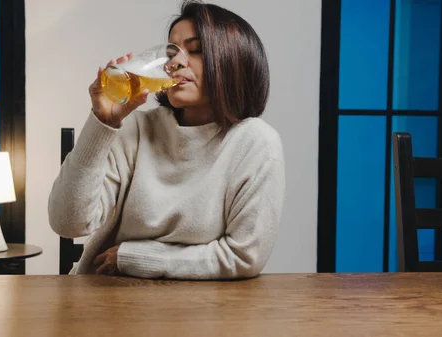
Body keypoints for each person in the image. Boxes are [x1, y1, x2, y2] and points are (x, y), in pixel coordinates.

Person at [48, 0, 285, 280]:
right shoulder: (137, 129)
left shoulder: (255, 143)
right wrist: (102, 124)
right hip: (107, 302)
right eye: (173, 50)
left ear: (233, 62)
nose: (175, 62)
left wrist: (133, 257)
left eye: (195, 51)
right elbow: (67, 223)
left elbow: (245, 256)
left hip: (206, 311)